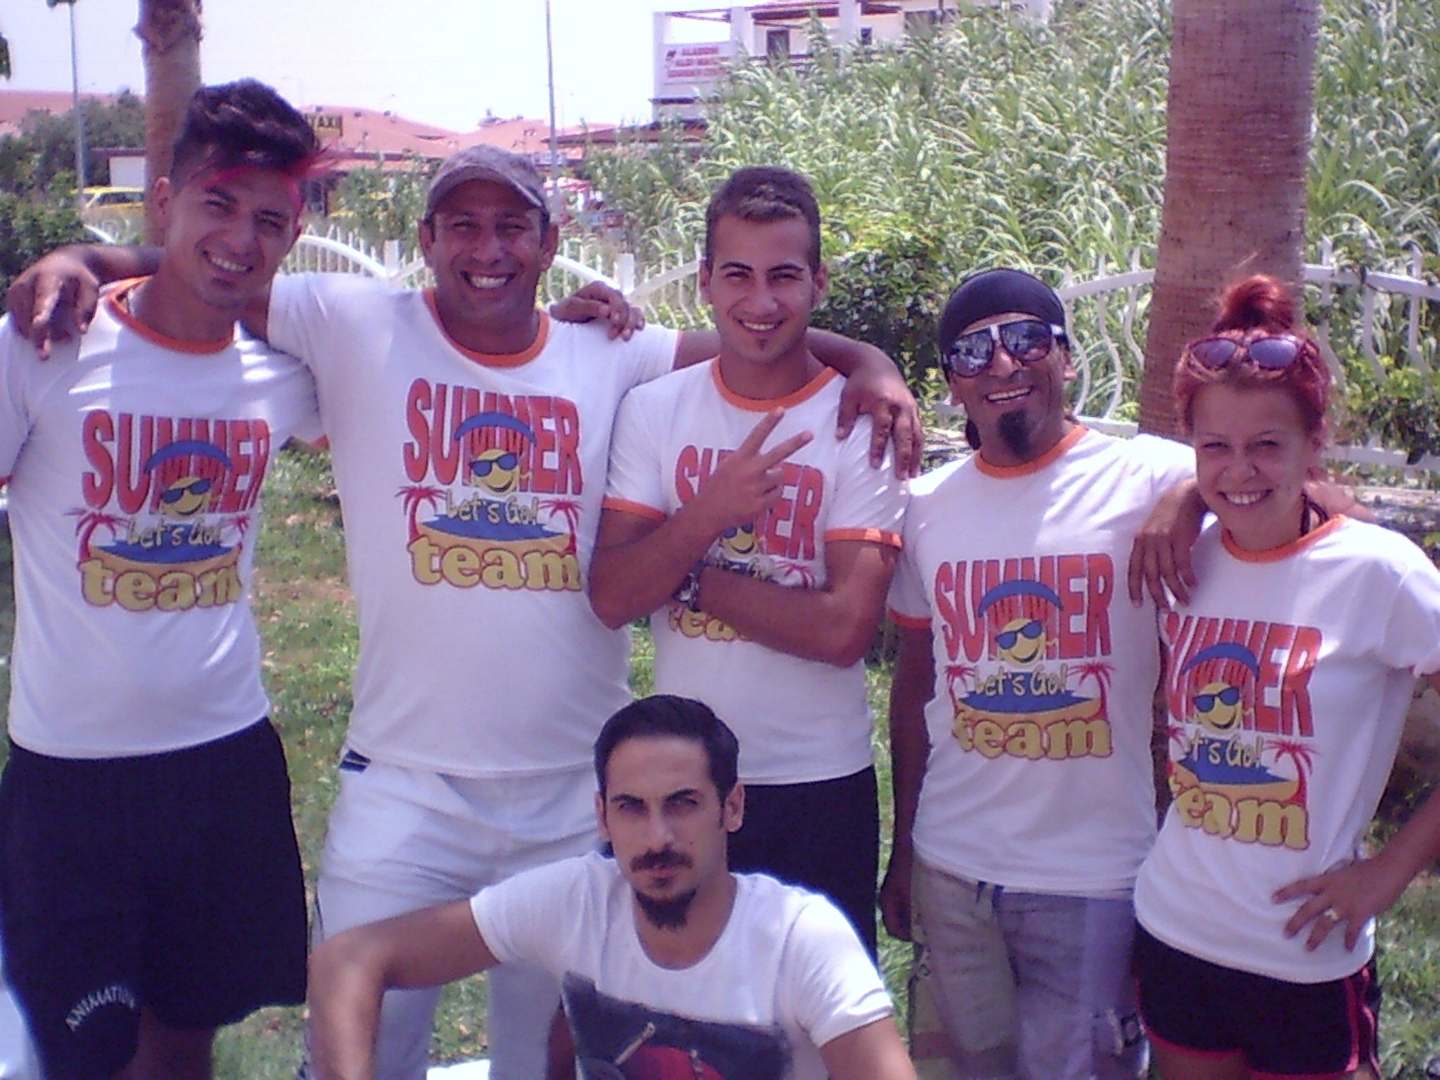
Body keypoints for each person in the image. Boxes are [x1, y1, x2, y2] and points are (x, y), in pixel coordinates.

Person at [6, 145, 923, 1079]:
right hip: (404, 785)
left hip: (573, 793)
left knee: (545, 1061)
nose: (488, 250)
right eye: (464, 226)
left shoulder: (609, 352)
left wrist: (871, 362)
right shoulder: (355, 321)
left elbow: (758, 338)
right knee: (358, 1050)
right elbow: (218, 267)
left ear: (548, 243)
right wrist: (86, 260)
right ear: (426, 239)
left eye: (512, 227)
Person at [0, 80, 322, 1080]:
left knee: (190, 1038)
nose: (240, 239)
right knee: (80, 1053)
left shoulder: (285, 372)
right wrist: (84, 262)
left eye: (269, 220)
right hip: (72, 772)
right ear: (165, 199)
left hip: (223, 760)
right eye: (218, 204)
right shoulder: (44, 344)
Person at [881, 268, 1197, 1079]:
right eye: (973, 351)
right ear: (951, 382)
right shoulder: (926, 507)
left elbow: (1285, 480)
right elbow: (915, 689)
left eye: (1025, 340)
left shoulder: (1147, 477)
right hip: (952, 870)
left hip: (1093, 879)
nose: (1002, 364)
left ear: (1065, 355)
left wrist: (1191, 497)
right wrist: (904, 850)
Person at [588, 167, 906, 956]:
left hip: (817, 780)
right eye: (737, 275)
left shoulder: (858, 420)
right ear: (704, 282)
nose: (760, 301)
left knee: (817, 1014)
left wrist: (688, 573)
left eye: (783, 276)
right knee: (681, 1006)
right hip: (682, 788)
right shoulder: (656, 410)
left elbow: (842, 631)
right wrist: (708, 514)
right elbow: (614, 594)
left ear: (819, 282)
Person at [1132, 275, 1440, 1080]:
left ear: (1314, 443)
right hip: (1176, 931)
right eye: (1215, 447)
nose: (1240, 471)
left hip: (1305, 954)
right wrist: (1183, 500)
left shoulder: (1380, 574)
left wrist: (1386, 874)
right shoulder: (1186, 557)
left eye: (1267, 445)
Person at [307, 694, 918, 1080]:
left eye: (682, 804)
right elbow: (350, 959)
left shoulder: (800, 938)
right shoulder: (578, 901)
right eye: (632, 808)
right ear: (602, 817)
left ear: (732, 807)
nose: (658, 837)